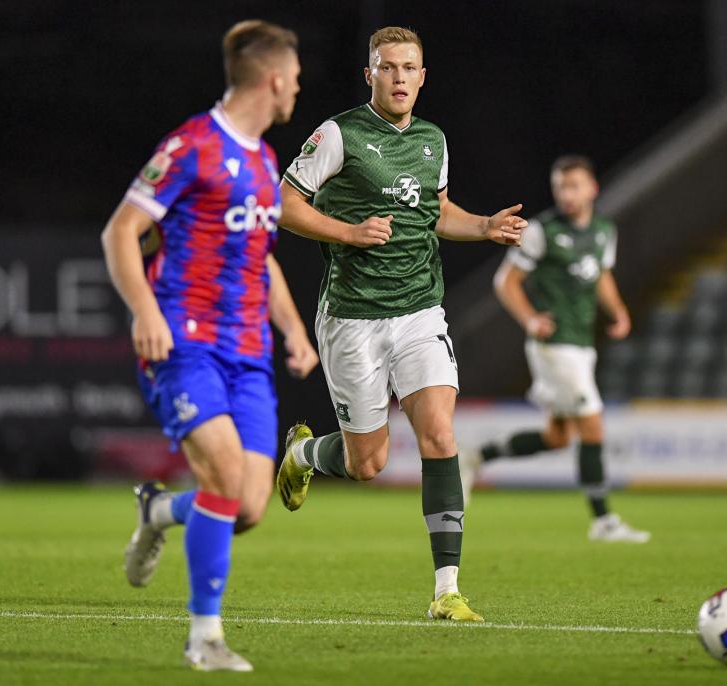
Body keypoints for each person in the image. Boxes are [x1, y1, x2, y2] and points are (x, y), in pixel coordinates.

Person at [274, 26, 527, 623]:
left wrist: (483, 226)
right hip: (353, 317)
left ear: (422, 76)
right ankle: (305, 454)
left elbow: (435, 212)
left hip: (419, 311)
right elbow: (283, 204)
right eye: (387, 67)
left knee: (439, 435)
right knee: (368, 464)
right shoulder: (339, 134)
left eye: (409, 68)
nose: (398, 78)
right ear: (370, 75)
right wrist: (349, 232)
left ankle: (447, 591)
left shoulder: (433, 139)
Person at [101, 20, 317, 671]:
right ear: (273, 79)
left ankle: (158, 510)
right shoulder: (192, 145)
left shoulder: (265, 161)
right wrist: (145, 310)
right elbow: (121, 232)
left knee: (246, 506)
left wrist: (293, 328)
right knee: (222, 475)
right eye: (295, 78)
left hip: (248, 354)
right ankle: (205, 638)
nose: (298, 88)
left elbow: (261, 258)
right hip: (185, 342)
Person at [459, 155, 650, 544]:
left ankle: (475, 456)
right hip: (554, 345)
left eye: (574, 185)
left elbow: (601, 276)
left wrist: (618, 311)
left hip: (581, 344)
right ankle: (603, 521)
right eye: (561, 186)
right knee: (592, 424)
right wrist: (530, 319)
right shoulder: (542, 231)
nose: (566, 194)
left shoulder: (603, 231)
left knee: (558, 436)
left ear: (592, 189)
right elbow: (505, 282)